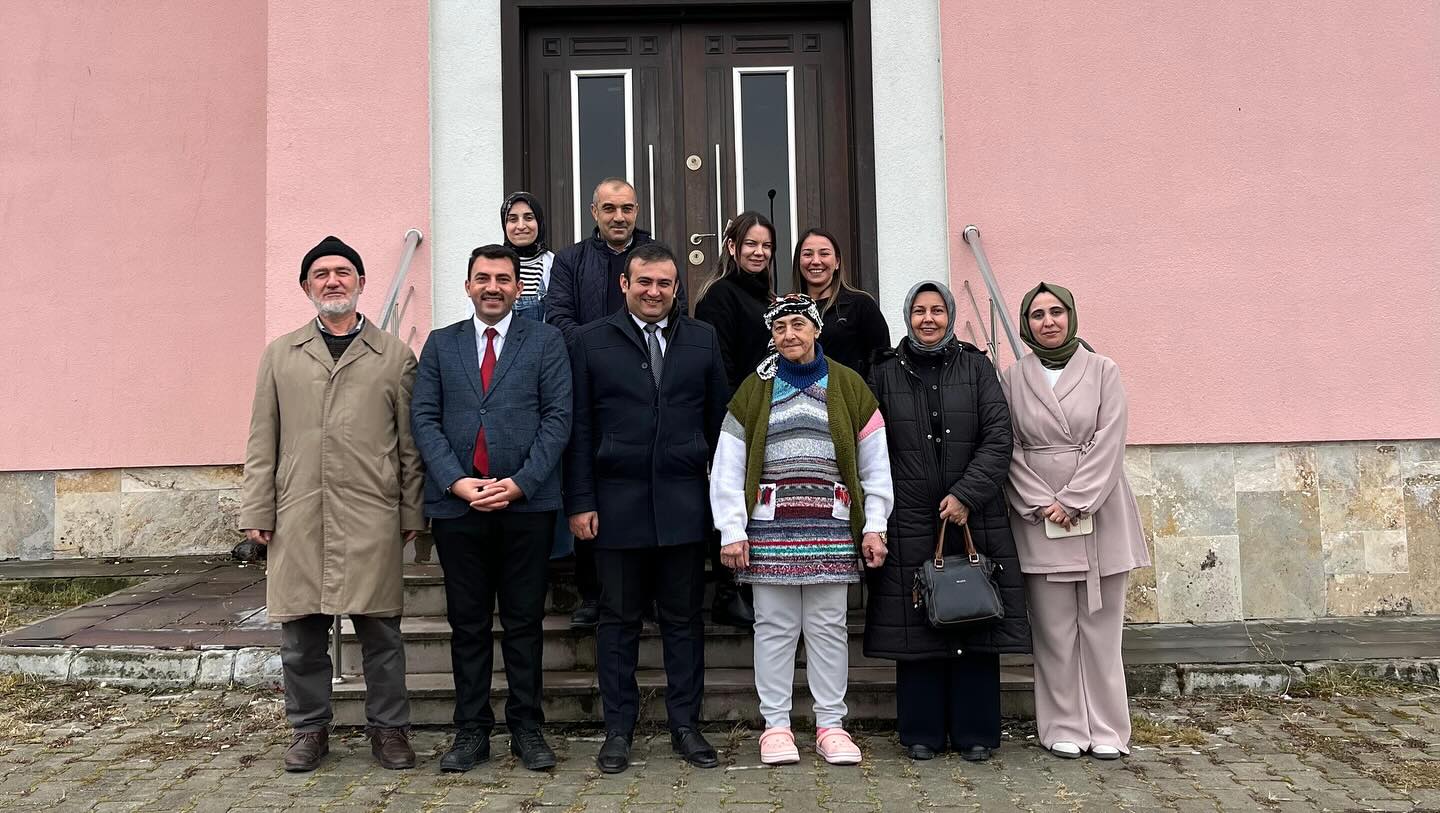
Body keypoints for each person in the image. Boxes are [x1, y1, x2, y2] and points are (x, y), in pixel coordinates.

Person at [239, 236, 424, 773]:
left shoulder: (394, 356)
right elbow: (261, 439)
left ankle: (389, 731)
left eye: (343, 272)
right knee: (301, 636)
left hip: (371, 512)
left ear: (362, 282)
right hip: (299, 510)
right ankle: (309, 730)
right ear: (306, 287)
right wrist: (257, 510)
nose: (333, 281)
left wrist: (412, 513)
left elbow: (410, 444)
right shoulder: (281, 354)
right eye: (321, 274)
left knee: (381, 635)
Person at [565, 242, 729, 774]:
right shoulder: (591, 341)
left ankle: (686, 724)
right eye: (644, 283)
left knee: (684, 621)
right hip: (615, 507)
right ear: (625, 286)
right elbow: (580, 427)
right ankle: (618, 729)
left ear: (676, 287)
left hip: (684, 505)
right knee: (617, 623)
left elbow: (721, 426)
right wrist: (581, 501)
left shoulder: (702, 339)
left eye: (664, 284)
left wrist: (723, 508)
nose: (654, 292)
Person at [709, 294, 894, 766]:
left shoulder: (849, 385)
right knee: (773, 628)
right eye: (780, 328)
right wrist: (732, 528)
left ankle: (831, 725)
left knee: (829, 629)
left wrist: (874, 525)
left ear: (816, 329)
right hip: (769, 533)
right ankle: (776, 726)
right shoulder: (755, 388)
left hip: (831, 530)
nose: (789, 335)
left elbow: (875, 465)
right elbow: (727, 464)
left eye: (798, 325)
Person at [410, 244, 573, 773]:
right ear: (467, 286)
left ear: (518, 288)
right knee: (468, 623)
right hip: (459, 509)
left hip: (525, 507)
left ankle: (527, 728)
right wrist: (456, 482)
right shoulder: (440, 344)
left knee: (525, 622)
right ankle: (471, 731)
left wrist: (521, 483)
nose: (493, 287)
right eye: (483, 278)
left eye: (503, 278)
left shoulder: (546, 341)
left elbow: (557, 419)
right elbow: (425, 419)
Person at [864, 280, 1031, 762]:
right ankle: (922, 732)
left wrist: (966, 493)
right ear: (907, 316)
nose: (929, 319)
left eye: (938, 310)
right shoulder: (883, 372)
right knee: (916, 625)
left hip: (973, 516)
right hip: (910, 516)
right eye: (919, 311)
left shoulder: (977, 367)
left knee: (975, 616)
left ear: (950, 315)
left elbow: (999, 437)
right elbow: (871, 446)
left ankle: (976, 732)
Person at [1002, 282, 1150, 761]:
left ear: (1071, 316)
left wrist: (1076, 499)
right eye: (1038, 315)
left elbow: (1111, 439)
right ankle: (1064, 724)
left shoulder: (1104, 369)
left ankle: (1108, 728)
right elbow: (1008, 446)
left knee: (1103, 632)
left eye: (1056, 312)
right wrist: (1043, 501)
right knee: (1054, 631)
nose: (1048, 322)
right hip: (1040, 516)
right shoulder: (1013, 377)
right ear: (1026, 324)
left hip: (1099, 513)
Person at [547, 178, 688, 629]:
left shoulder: (656, 255)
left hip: (651, 384)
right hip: (591, 382)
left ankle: (646, 595)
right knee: (593, 481)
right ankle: (593, 594)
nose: (619, 217)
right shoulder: (570, 260)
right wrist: (601, 349)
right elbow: (558, 315)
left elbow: (676, 309)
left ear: (637, 210)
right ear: (594, 212)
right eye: (609, 209)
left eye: (626, 208)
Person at [693, 211, 778, 627]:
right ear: (732, 247)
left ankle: (747, 585)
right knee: (731, 498)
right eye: (750, 244)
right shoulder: (720, 296)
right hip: (735, 418)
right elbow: (718, 365)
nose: (758, 252)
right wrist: (733, 419)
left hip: (769, 417)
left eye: (765, 246)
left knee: (755, 502)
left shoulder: (768, 299)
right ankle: (728, 591)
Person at [791, 228, 890, 379]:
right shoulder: (788, 309)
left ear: (837, 262)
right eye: (807, 254)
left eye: (824, 253)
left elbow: (883, 364)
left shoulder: (861, 305)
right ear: (798, 261)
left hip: (848, 399)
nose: (816, 261)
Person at [501, 192, 554, 322]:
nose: (521, 226)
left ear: (539, 221)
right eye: (513, 219)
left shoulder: (555, 264)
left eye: (529, 218)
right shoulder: (492, 263)